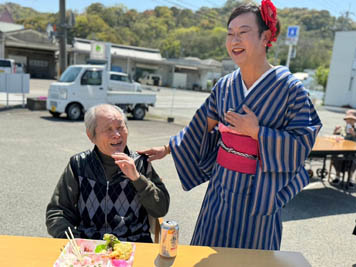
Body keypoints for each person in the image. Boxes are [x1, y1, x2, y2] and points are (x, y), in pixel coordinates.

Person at [139, 0, 321, 250]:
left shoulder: (291, 89)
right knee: (208, 251)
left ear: (265, 36)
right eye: (230, 34)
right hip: (221, 187)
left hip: (259, 194)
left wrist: (257, 132)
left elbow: (303, 140)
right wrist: (167, 148)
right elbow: (202, 123)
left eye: (243, 33)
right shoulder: (225, 85)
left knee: (251, 256)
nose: (235, 40)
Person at [46, 104, 170, 242]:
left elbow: (161, 209)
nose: (117, 135)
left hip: (134, 244)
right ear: (91, 135)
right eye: (108, 129)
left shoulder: (141, 163)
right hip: (90, 246)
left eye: (120, 127)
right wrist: (75, 241)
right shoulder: (79, 164)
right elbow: (57, 213)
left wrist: (137, 178)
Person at [331, 109, 356, 186]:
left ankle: (350, 178)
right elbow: (334, 138)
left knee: (354, 159)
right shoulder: (342, 129)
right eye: (348, 119)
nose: (349, 121)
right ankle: (337, 176)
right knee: (334, 156)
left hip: (352, 151)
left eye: (351, 120)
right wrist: (335, 132)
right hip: (342, 150)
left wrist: (354, 134)